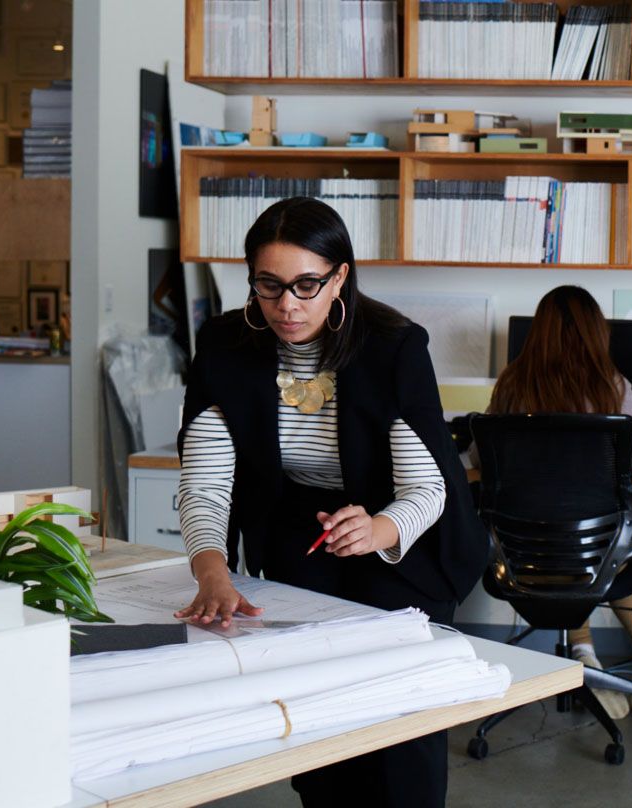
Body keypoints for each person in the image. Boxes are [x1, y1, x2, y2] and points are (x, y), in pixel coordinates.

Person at [174, 196, 488, 807]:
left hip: (402, 550)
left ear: (340, 276)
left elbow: (429, 488)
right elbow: (207, 481)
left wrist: (378, 528)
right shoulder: (225, 346)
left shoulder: (392, 347)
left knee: (399, 750)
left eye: (306, 284)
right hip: (304, 548)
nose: (286, 304)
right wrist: (211, 569)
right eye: (268, 285)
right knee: (319, 748)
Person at [475, 285, 632, 720]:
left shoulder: (511, 385)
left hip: (525, 557)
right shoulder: (611, 387)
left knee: (568, 552)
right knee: (611, 549)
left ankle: (584, 656)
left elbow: (478, 459)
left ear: (537, 334)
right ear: (597, 334)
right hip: (595, 555)